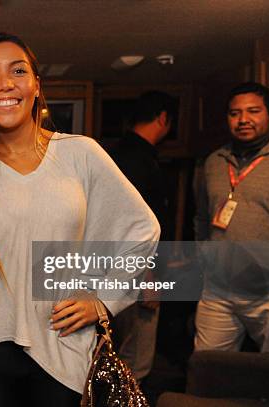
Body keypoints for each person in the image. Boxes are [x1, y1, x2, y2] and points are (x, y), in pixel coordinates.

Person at [0, 32, 160, 407]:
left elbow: (141, 229)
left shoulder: (80, 153)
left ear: (36, 84)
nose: (5, 83)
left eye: (17, 70)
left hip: (64, 342)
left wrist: (104, 299)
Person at [193, 81, 269, 353]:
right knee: (207, 366)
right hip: (219, 289)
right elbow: (202, 218)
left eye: (253, 111)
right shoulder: (213, 162)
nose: (243, 120)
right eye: (235, 113)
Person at [109, 90, 175, 382]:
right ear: (163, 118)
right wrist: (147, 276)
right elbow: (124, 222)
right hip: (134, 272)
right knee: (135, 360)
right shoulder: (137, 160)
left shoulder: (120, 153)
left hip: (119, 269)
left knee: (123, 355)